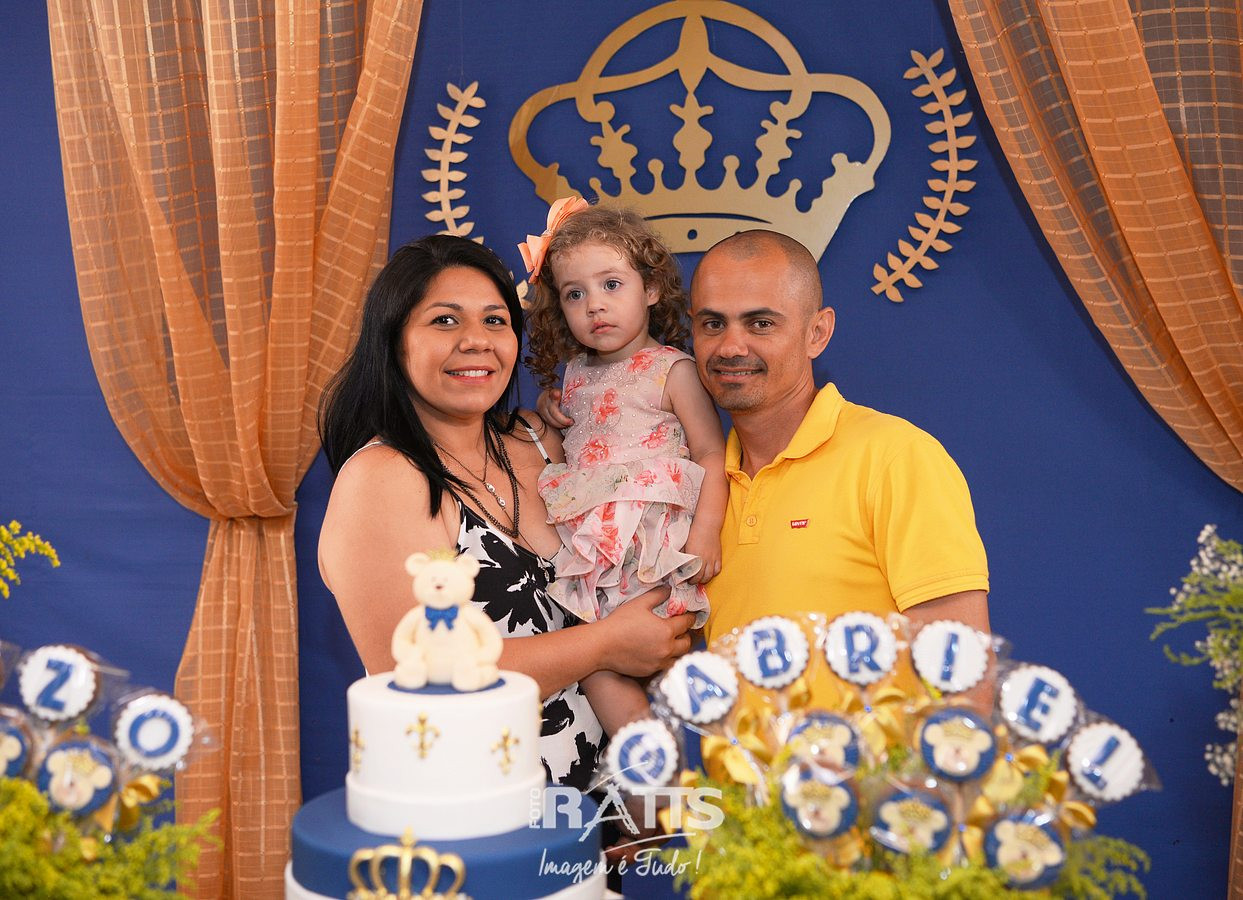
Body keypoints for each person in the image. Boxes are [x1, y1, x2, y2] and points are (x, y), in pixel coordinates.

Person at [317, 234, 695, 793]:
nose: (476, 341)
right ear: (394, 342)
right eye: (445, 321)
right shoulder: (383, 478)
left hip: (601, 817)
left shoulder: (543, 440)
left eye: (495, 321)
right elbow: (410, 673)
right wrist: (605, 644)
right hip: (476, 816)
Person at [689, 229, 991, 703]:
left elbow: (964, 691)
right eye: (712, 324)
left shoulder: (895, 457)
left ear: (818, 332)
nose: (730, 346)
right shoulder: (692, 487)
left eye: (761, 323)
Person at [522, 200, 727, 628]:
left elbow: (710, 452)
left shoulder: (673, 371)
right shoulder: (575, 372)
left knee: (655, 639)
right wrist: (549, 407)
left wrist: (707, 530)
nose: (594, 305)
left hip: (651, 543)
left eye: (611, 284)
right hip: (591, 541)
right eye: (575, 294)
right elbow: (575, 434)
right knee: (598, 646)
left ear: (650, 289)